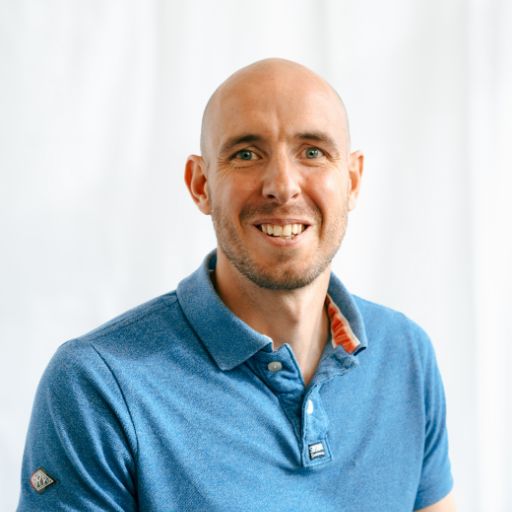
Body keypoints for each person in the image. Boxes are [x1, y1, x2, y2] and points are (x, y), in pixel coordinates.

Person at [18, 58, 455, 511]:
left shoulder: (406, 354)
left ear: (352, 181)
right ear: (200, 184)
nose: (282, 185)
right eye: (246, 154)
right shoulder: (97, 385)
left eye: (312, 152)